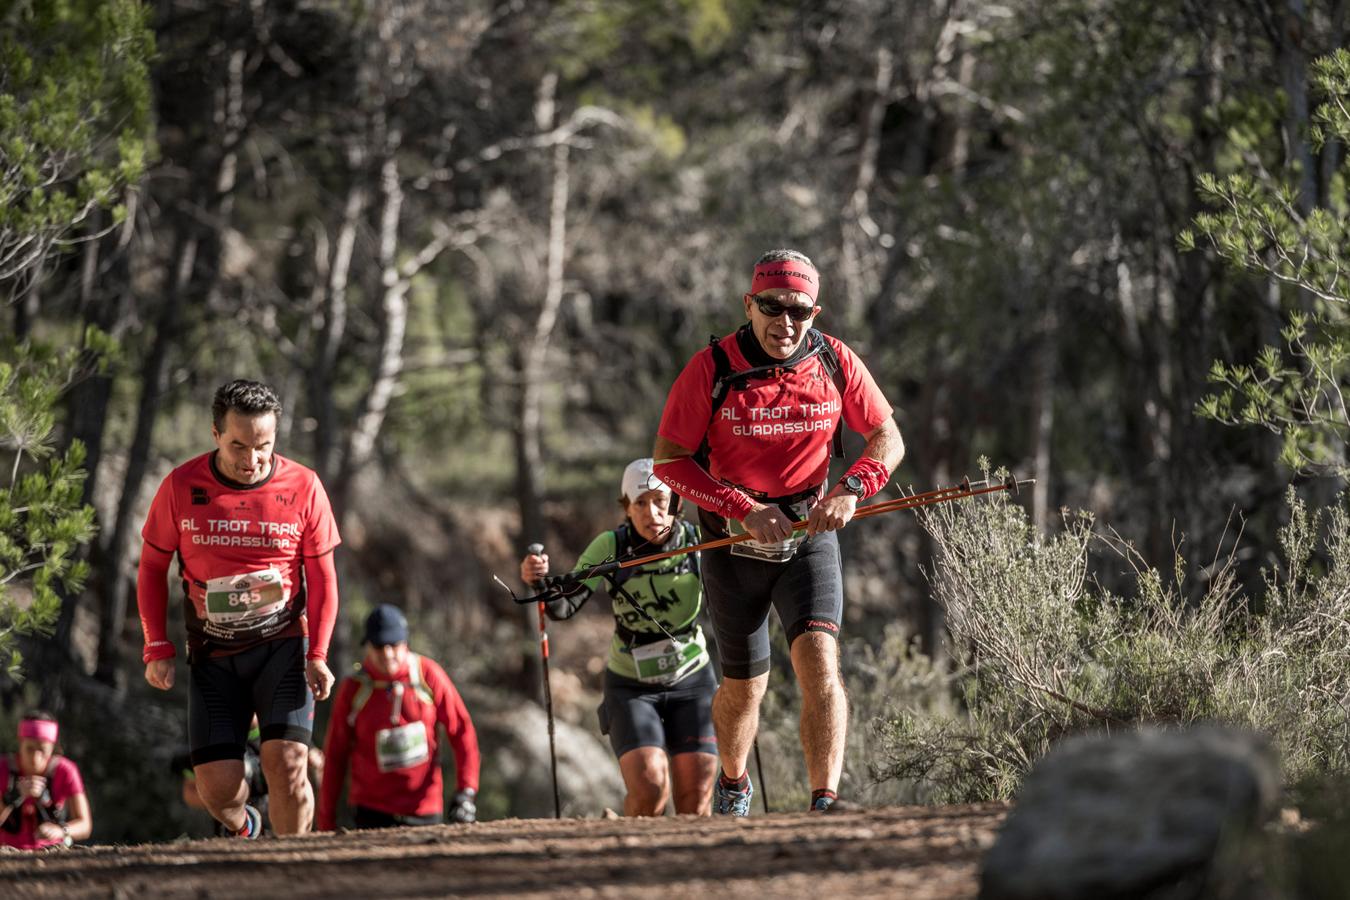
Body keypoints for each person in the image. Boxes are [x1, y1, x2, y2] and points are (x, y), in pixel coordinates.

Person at [652, 248, 905, 815]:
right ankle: (735, 783)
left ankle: (825, 802)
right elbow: (668, 461)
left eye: (801, 311)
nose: (786, 323)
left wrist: (851, 490)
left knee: (820, 661)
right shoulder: (711, 368)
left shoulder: (835, 360)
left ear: (816, 312)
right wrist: (738, 506)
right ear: (749, 304)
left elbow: (888, 438)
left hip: (809, 534)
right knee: (745, 688)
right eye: (772, 307)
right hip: (732, 542)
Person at [137, 379, 341, 838]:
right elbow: (151, 567)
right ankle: (246, 827)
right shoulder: (181, 486)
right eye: (238, 446)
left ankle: (293, 869)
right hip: (214, 653)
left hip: (283, 645)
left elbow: (324, 577)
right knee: (216, 789)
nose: (252, 460)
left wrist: (319, 654)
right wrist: (156, 644)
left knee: (287, 763)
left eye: (263, 446)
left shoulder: (304, 486)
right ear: (214, 434)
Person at [519, 458, 718, 816]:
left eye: (660, 501)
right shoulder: (611, 546)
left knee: (698, 790)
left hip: (692, 679)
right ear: (627, 508)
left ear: (677, 504)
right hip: (632, 684)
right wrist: (540, 582)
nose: (651, 513)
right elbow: (564, 607)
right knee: (650, 788)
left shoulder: (697, 541)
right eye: (639, 503)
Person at [317, 604, 480, 830]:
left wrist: (466, 791)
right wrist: (326, 820)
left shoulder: (428, 675)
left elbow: (462, 732)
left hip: (424, 810)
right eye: (379, 646)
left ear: (405, 643)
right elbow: (335, 754)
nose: (387, 654)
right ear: (367, 646)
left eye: (393, 645)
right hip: (370, 812)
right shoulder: (353, 689)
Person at [0, 711, 92, 849]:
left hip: (51, 852)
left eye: (42, 750)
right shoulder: (3, 768)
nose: (35, 758)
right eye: (29, 749)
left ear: (52, 748)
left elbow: (85, 825)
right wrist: (12, 797)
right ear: (20, 742)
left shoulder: (66, 770)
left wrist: (61, 830)